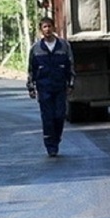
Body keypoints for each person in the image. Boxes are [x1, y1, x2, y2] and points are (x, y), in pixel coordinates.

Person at [26, 16, 75, 157]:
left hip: (60, 87)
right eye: (44, 27)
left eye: (49, 26)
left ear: (54, 28)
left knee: (59, 115)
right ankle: (51, 146)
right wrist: (31, 87)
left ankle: (57, 138)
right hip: (44, 88)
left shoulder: (64, 46)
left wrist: (71, 84)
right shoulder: (36, 49)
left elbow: (70, 65)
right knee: (47, 117)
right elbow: (31, 69)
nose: (47, 29)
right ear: (41, 30)